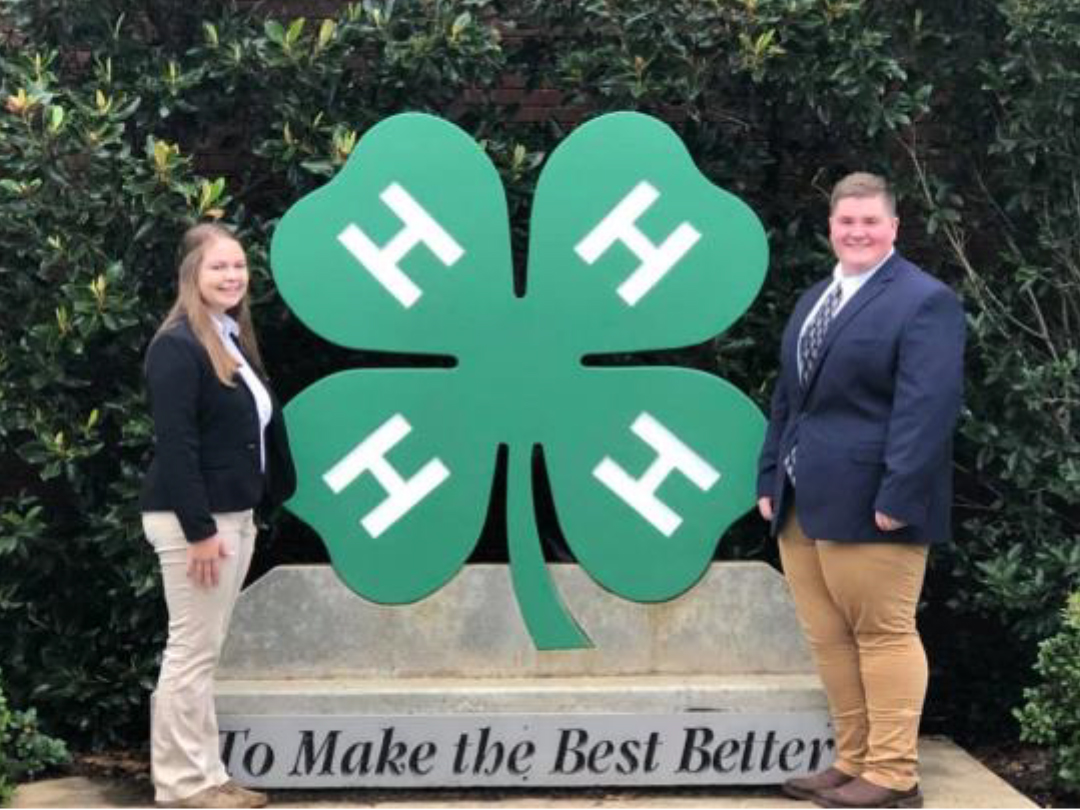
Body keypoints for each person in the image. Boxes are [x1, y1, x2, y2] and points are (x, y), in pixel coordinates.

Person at [756, 173, 965, 809]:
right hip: (802, 501)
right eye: (847, 222)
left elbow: (926, 409)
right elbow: (790, 398)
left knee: (883, 633)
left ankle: (894, 774)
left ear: (894, 228)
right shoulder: (818, 298)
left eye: (870, 221)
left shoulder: (924, 301)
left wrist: (900, 494)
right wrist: (770, 476)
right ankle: (852, 761)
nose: (858, 232)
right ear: (831, 228)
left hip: (877, 502)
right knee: (829, 637)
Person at [140, 223, 296, 808]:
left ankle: (207, 775)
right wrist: (201, 531)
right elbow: (176, 444)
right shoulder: (176, 346)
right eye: (218, 268)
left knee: (204, 650)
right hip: (196, 525)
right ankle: (183, 786)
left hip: (233, 516)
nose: (232, 277)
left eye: (238, 267)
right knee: (190, 651)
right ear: (191, 277)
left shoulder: (228, 338)